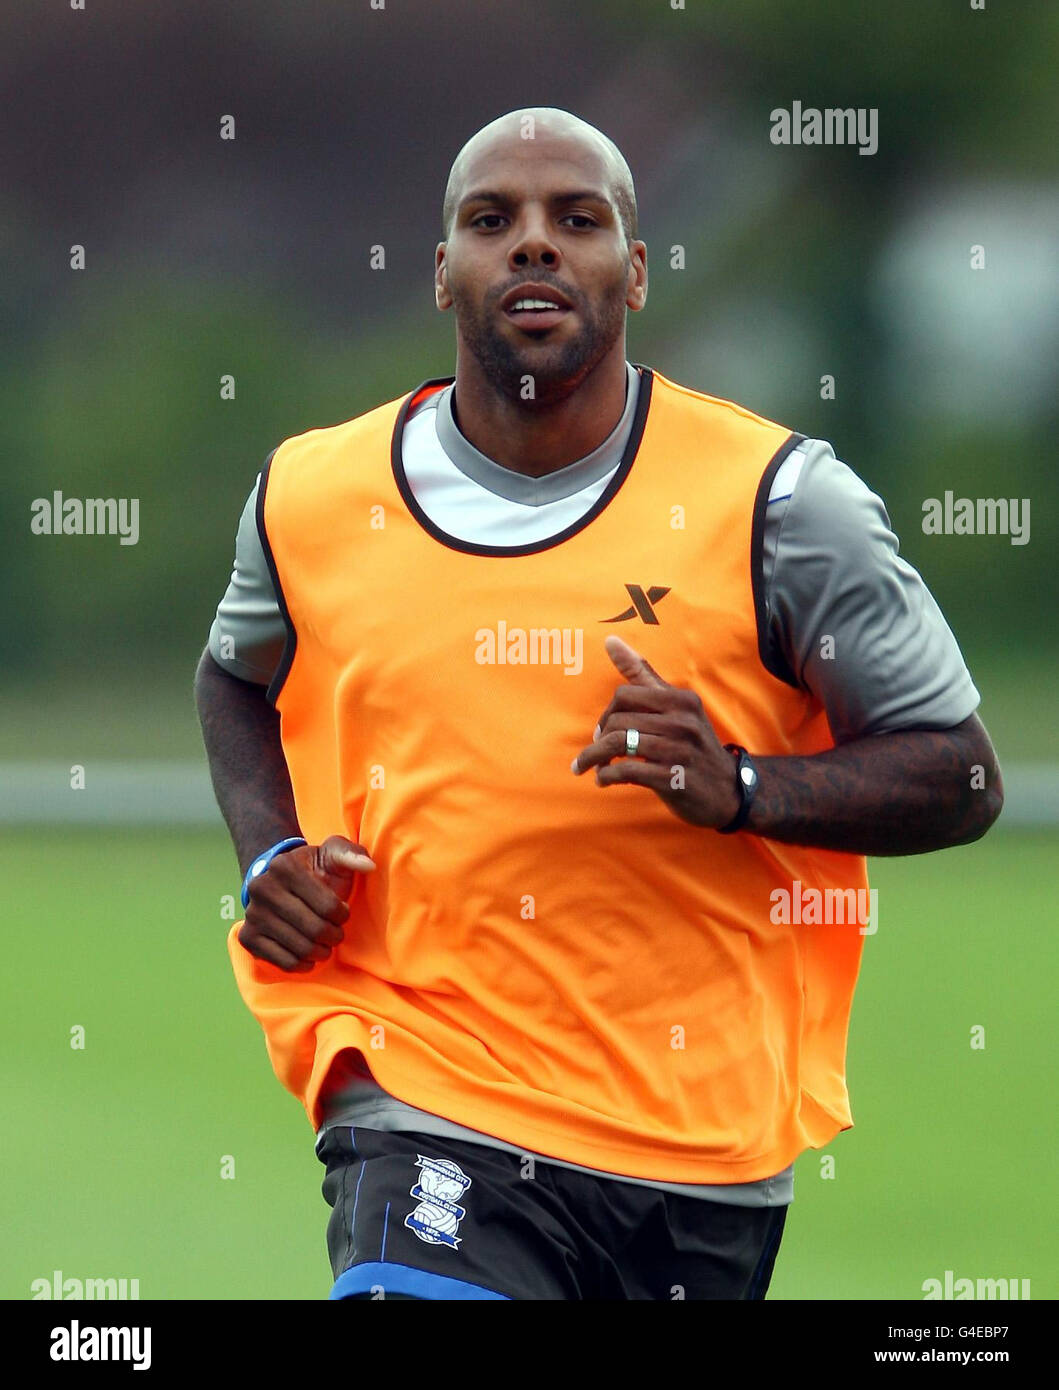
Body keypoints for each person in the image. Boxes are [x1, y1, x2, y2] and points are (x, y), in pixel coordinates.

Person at [194, 106, 1003, 1301]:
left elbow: (964, 776)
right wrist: (267, 854)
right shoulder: (312, 495)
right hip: (421, 1086)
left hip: (695, 1144)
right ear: (441, 273)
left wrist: (739, 785)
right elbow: (232, 673)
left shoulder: (783, 503)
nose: (533, 245)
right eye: (492, 221)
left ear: (632, 271)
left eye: (576, 220)